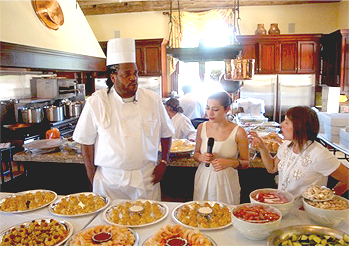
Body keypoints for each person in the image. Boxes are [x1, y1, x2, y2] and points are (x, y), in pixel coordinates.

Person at [73, 38, 174, 201]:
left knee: (149, 223)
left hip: (146, 178)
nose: (133, 78)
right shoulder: (97, 102)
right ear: (113, 77)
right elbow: (86, 142)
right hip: (109, 183)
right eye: (126, 74)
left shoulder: (152, 99)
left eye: (135, 73)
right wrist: (92, 179)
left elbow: (166, 132)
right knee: (108, 226)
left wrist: (164, 161)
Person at [249, 106, 349, 200]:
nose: (281, 124)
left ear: (299, 127)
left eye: (287, 123)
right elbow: (272, 168)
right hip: (284, 207)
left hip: (306, 213)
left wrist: (324, 199)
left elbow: (348, 178)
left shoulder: (318, 154)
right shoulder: (286, 146)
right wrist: (262, 147)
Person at [193, 92, 249, 205]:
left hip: (226, 181)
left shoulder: (238, 132)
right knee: (200, 213)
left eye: (215, 109)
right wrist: (201, 157)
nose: (210, 113)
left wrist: (229, 162)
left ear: (227, 109)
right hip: (203, 178)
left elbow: (246, 162)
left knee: (225, 214)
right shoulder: (201, 127)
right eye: (208, 108)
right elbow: (196, 154)